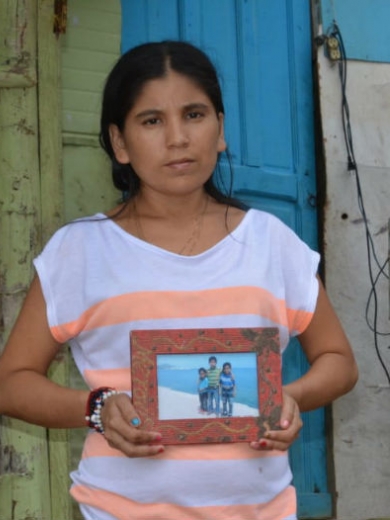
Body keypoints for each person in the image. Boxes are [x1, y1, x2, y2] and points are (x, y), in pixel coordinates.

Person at [0, 40, 358, 520]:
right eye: (152, 121)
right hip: (119, 511)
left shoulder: (271, 243)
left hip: (262, 511)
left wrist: (290, 396)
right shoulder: (80, 252)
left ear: (221, 129)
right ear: (120, 142)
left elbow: (338, 360)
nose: (178, 138)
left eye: (194, 115)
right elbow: (11, 382)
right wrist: (97, 407)